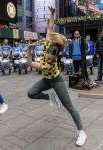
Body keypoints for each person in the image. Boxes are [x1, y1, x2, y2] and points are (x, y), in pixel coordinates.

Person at [26, 6, 87, 147]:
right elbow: (50, 28)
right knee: (31, 93)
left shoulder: (48, 64)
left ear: (55, 58)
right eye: (48, 58)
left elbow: (29, 62)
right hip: (46, 80)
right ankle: (49, 97)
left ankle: (82, 132)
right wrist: (52, 13)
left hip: (56, 80)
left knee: (69, 106)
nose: (48, 60)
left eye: (51, 60)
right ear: (46, 50)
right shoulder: (47, 44)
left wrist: (29, 50)